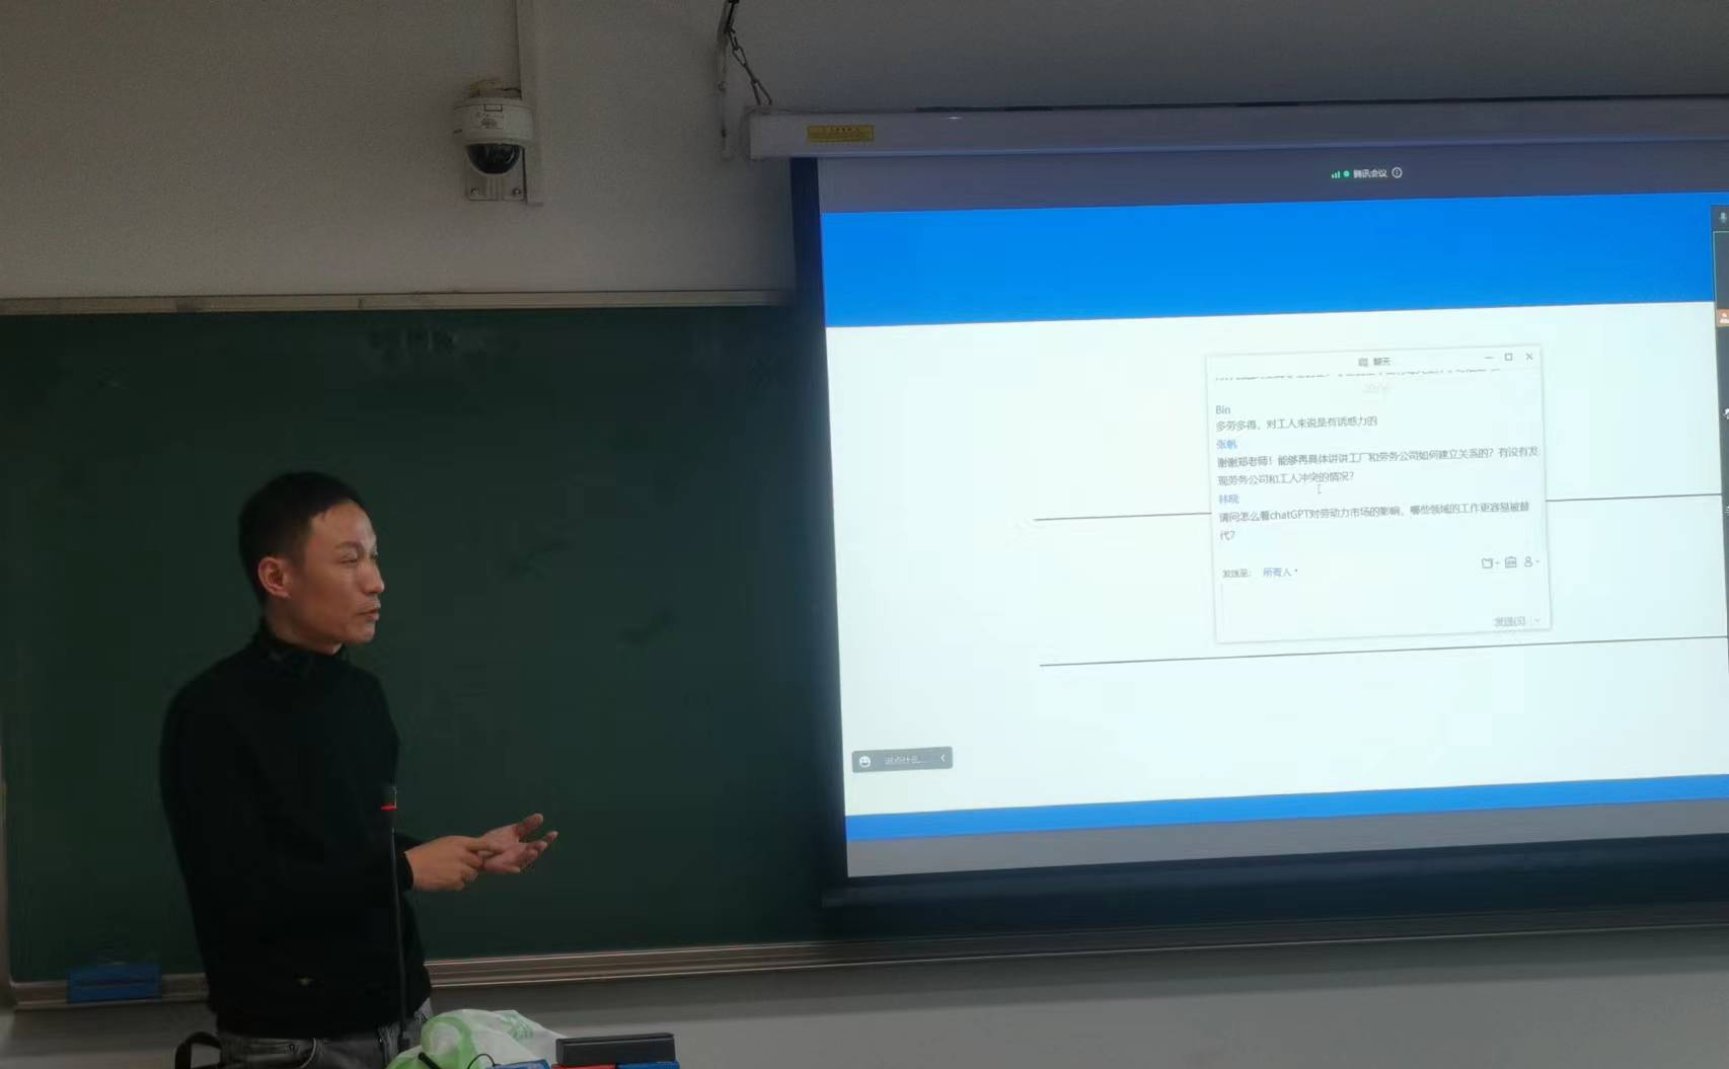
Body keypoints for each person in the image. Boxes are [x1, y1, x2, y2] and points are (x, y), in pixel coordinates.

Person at [160, 472, 556, 1069]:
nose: (376, 580)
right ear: (277, 577)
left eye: (374, 556)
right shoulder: (212, 713)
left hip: (407, 1021)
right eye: (349, 560)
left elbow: (344, 847)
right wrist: (405, 868)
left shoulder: (361, 697)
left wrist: (464, 853)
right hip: (296, 1043)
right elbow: (242, 890)